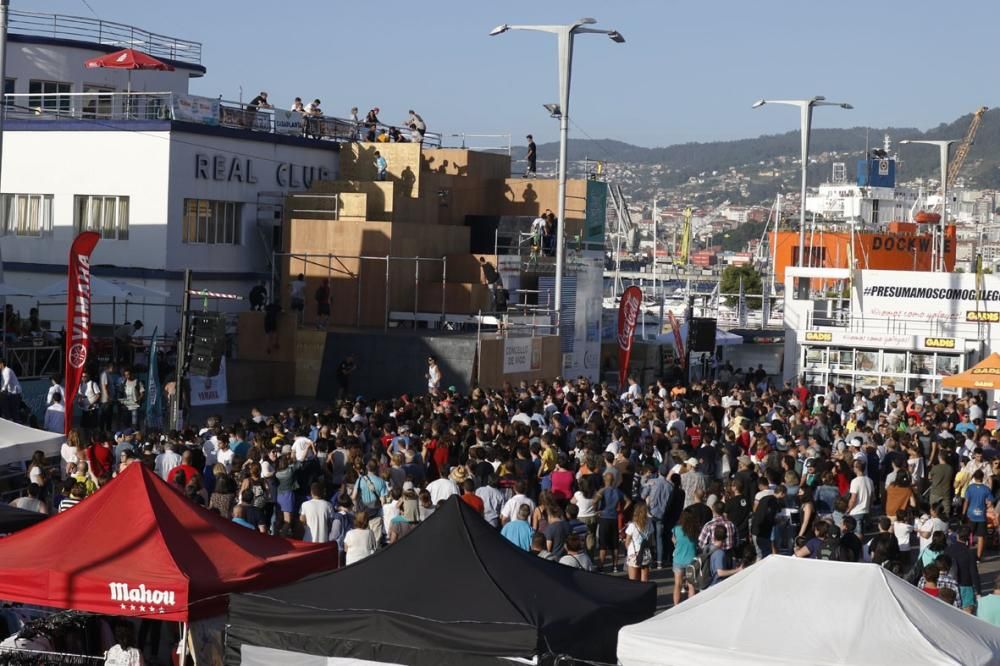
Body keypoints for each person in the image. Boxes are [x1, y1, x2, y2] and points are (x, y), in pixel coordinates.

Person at [672, 510, 700, 606]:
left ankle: (676, 605)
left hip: (678, 559)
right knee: (691, 585)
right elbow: (697, 543)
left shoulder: (676, 529)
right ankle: (690, 607)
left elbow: (674, 540)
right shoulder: (695, 530)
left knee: (678, 584)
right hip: (691, 560)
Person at [964, 469, 993, 560]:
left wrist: (963, 513)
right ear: (982, 477)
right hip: (981, 516)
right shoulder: (986, 489)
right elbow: (990, 502)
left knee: (968, 535)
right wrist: (986, 506)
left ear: (974, 477)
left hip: (971, 514)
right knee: (981, 537)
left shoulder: (970, 488)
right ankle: (978, 557)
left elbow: (966, 501)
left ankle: (967, 554)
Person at [624, 500, 654, 582]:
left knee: (633, 581)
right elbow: (651, 540)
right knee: (644, 580)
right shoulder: (649, 523)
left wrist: (628, 549)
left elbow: (627, 542)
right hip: (645, 553)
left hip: (633, 553)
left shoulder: (632, 525)